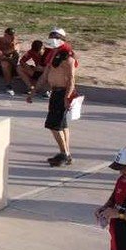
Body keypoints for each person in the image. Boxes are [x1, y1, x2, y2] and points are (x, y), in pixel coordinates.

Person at [42, 29, 78, 167]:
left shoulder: (67, 56)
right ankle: (66, 153)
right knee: (62, 125)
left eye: (55, 37)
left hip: (62, 93)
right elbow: (45, 74)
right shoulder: (53, 53)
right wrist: (33, 92)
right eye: (51, 36)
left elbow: (71, 79)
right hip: (56, 92)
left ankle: (64, 154)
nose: (52, 38)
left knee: (54, 125)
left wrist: (67, 97)